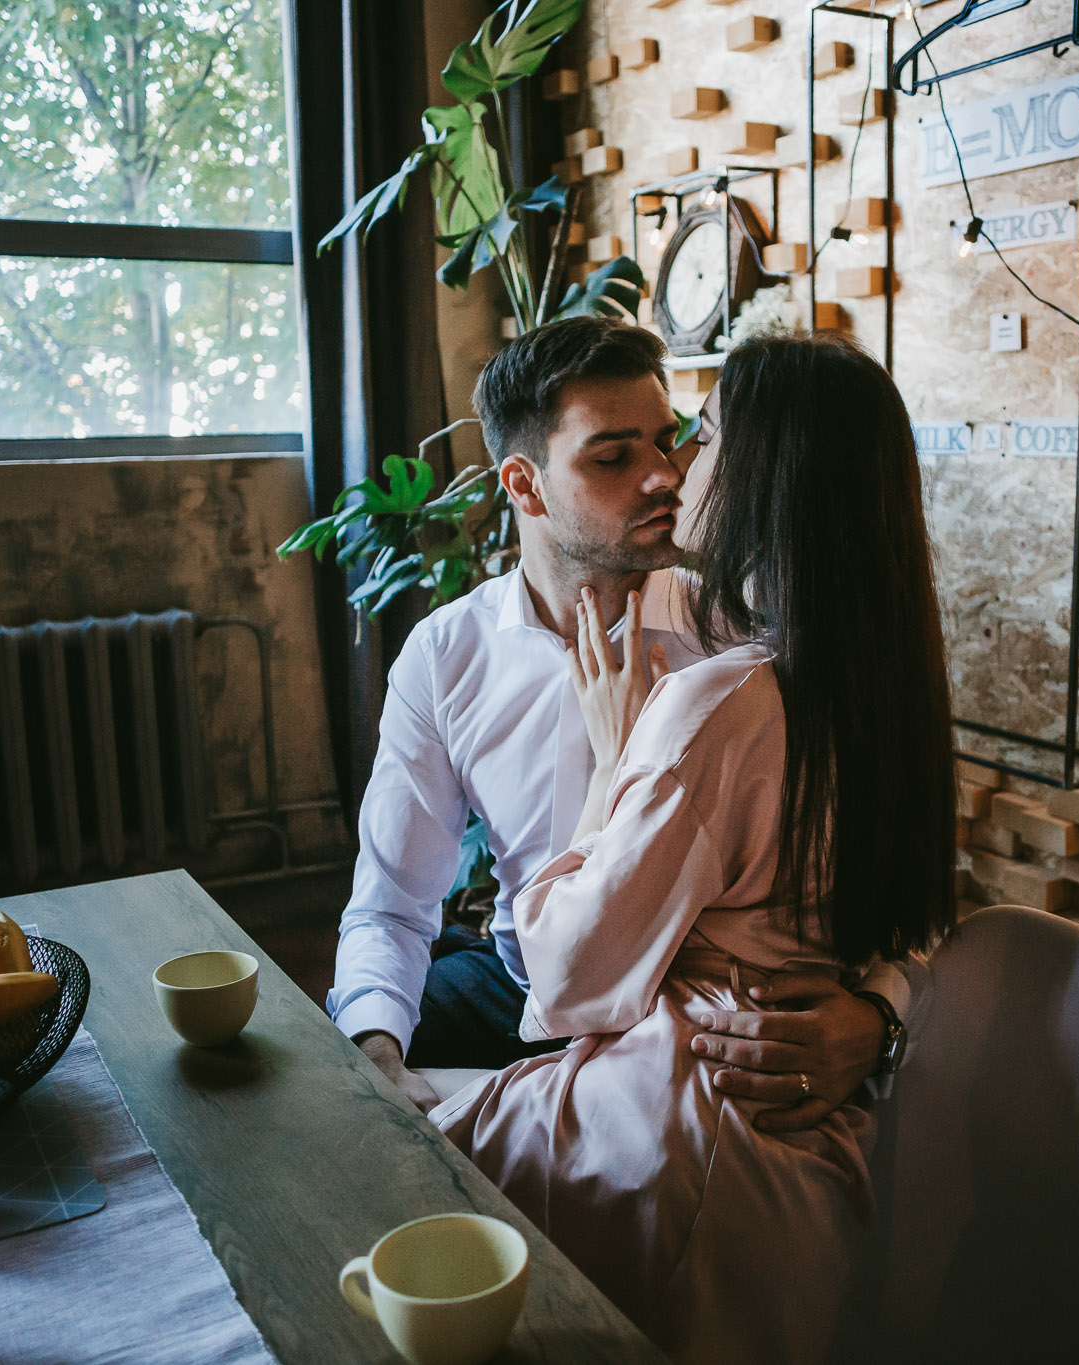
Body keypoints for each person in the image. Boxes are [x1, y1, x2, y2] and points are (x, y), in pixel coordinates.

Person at [430, 333, 958, 1363]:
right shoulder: (883, 688)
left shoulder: (717, 696)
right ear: (522, 485)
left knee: (381, 1181)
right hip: (820, 1151)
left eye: (699, 436)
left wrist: (613, 768)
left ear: (769, 477)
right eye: (629, 452)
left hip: (686, 1127)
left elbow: (575, 979)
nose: (673, 471)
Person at [326, 317, 909, 1124]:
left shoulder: (744, 640)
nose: (663, 476)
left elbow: (881, 865)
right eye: (612, 457)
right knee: (329, 1063)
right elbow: (392, 904)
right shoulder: (446, 655)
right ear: (524, 485)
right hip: (522, 982)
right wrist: (375, 1054)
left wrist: (879, 1013)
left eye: (669, 441)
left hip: (687, 1019)